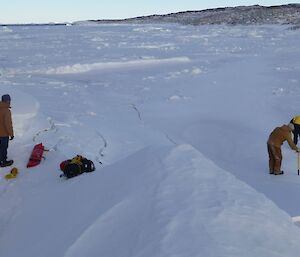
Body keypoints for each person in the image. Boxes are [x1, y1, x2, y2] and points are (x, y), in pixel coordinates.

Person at [0, 94, 14, 167]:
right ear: (7, 101)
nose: (10, 102)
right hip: (3, 134)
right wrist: (11, 134)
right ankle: (3, 161)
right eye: (9, 100)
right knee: (3, 148)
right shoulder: (6, 111)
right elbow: (8, 124)